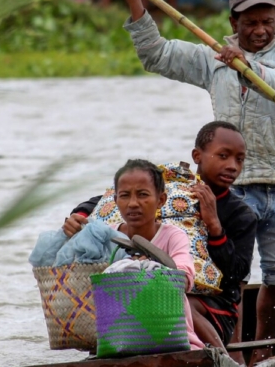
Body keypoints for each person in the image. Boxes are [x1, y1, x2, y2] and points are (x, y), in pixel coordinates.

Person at [109, 0, 275, 364]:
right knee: (229, 280)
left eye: (267, 22)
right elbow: (156, 53)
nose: (259, 30)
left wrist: (248, 68)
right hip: (232, 193)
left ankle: (263, 352)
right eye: (249, 22)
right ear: (234, 22)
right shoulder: (213, 58)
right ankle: (232, 354)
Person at [65, 121, 256, 349]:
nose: (232, 166)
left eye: (239, 159)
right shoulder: (173, 188)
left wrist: (214, 225)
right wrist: (79, 214)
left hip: (211, 303)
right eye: (223, 156)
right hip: (149, 288)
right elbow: (108, 199)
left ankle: (215, 355)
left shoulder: (241, 214)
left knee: (179, 301)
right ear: (197, 156)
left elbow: (237, 274)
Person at [108, 159, 206, 350]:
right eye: (125, 196)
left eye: (143, 195)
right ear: (116, 200)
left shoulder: (172, 236)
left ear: (161, 200)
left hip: (172, 337)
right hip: (118, 337)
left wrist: (151, 268)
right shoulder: (108, 237)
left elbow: (184, 278)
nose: (133, 203)